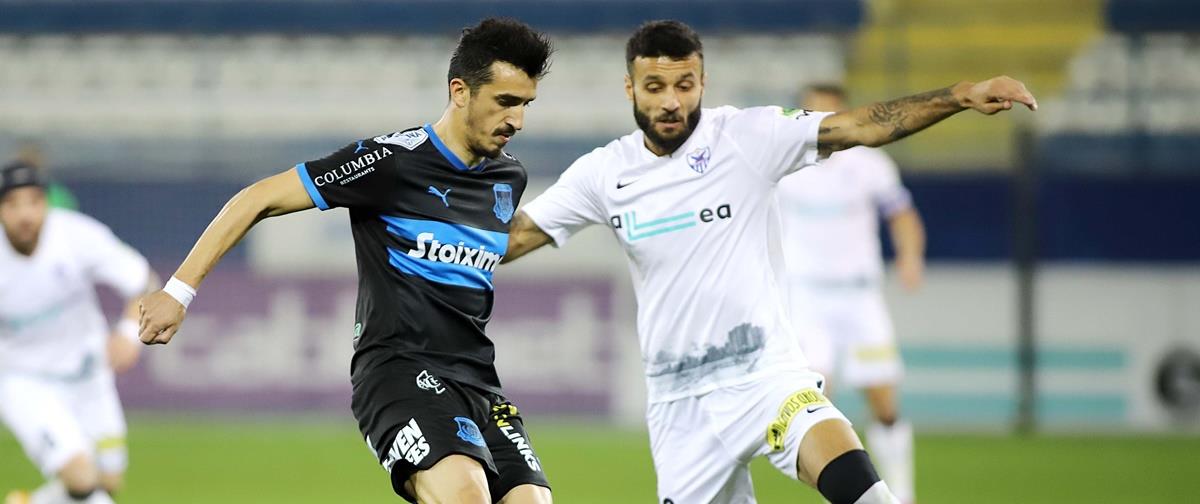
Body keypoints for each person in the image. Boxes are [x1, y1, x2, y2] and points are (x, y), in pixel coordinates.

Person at [503, 20, 1035, 504]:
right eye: (655, 87)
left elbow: (859, 126)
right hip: (679, 407)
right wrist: (445, 227)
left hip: (766, 377)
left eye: (685, 85)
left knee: (868, 494)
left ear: (703, 83)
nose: (671, 102)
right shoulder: (603, 173)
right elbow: (514, 238)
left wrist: (959, 95)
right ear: (630, 88)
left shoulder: (747, 137)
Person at [136, 18, 554, 504]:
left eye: (525, 105)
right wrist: (178, 291)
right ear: (460, 91)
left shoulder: (508, 178)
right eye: (505, 101)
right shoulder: (391, 162)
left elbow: (494, 246)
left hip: (480, 382)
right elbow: (258, 198)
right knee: (466, 497)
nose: (516, 121)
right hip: (399, 372)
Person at [777, 84, 927, 504]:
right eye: (813, 113)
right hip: (805, 296)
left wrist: (910, 256)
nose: (822, 123)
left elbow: (901, 214)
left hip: (859, 296)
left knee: (883, 401)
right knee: (812, 402)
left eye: (829, 113)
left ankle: (903, 495)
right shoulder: (785, 164)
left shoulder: (870, 164)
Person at [1, 162, 152, 504]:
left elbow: (144, 281)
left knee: (107, 482)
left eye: (33, 202)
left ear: (46, 204)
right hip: (24, 380)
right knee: (82, 478)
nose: (24, 215)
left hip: (88, 374)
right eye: (12, 204)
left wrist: (129, 332)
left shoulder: (77, 236)